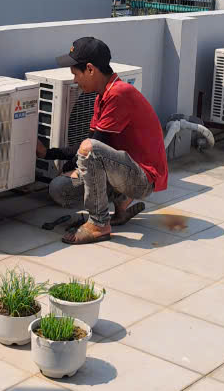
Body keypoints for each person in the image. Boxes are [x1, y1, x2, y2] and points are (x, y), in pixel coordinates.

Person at [40, 36, 168, 245]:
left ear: (90, 69)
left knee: (89, 150)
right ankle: (121, 204)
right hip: (122, 172)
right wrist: (48, 153)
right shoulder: (102, 96)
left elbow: (92, 146)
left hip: (143, 178)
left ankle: (99, 224)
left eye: (76, 74)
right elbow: (93, 140)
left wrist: (75, 166)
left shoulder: (119, 94)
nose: (75, 81)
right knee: (60, 188)